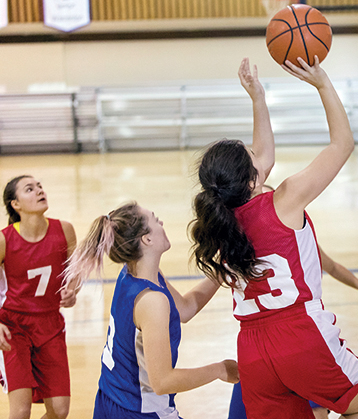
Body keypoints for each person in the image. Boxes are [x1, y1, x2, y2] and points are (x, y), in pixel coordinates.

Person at [190, 57, 358, 419]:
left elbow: (265, 158)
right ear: (250, 180)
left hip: (253, 350)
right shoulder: (284, 200)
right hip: (300, 332)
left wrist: (258, 97)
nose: (261, 156)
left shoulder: (219, 225)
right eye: (252, 156)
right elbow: (343, 144)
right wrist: (322, 84)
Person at [62, 202, 238, 419]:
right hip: (139, 409)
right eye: (155, 219)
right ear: (147, 239)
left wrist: (222, 271)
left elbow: (185, 309)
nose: (161, 222)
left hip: (111, 397)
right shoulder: (152, 300)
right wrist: (219, 369)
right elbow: (163, 382)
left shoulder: (133, 272)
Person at [228, 243, 358, 419]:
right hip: (298, 337)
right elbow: (332, 267)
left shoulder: (233, 245)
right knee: (344, 408)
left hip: (257, 347)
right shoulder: (294, 237)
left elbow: (333, 267)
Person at [0, 175, 79, 419]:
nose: (39, 191)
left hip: (51, 324)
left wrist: (72, 291)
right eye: (30, 189)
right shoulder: (4, 239)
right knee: (21, 411)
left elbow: (74, 273)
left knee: (59, 411)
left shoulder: (64, 230)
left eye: (40, 186)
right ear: (16, 204)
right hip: (14, 327)